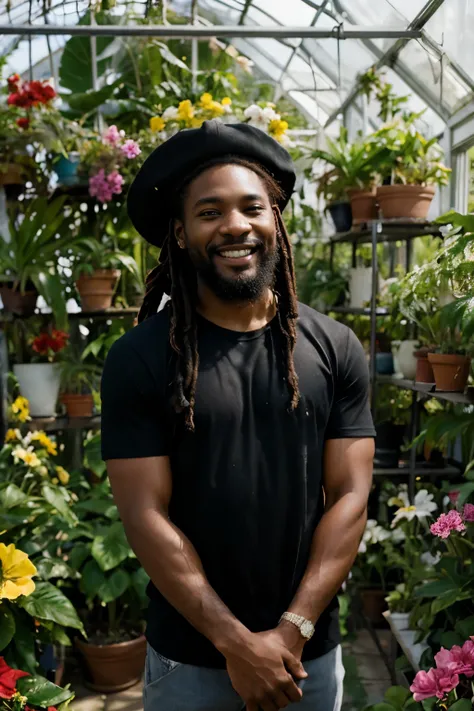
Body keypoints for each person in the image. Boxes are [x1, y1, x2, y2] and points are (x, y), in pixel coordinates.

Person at [101, 120, 375, 711]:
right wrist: (236, 643)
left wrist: (291, 629)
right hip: (191, 662)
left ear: (275, 219)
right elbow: (145, 515)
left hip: (307, 657)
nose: (235, 226)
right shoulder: (140, 360)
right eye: (209, 212)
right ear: (179, 233)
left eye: (252, 207)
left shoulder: (334, 347)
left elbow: (351, 497)